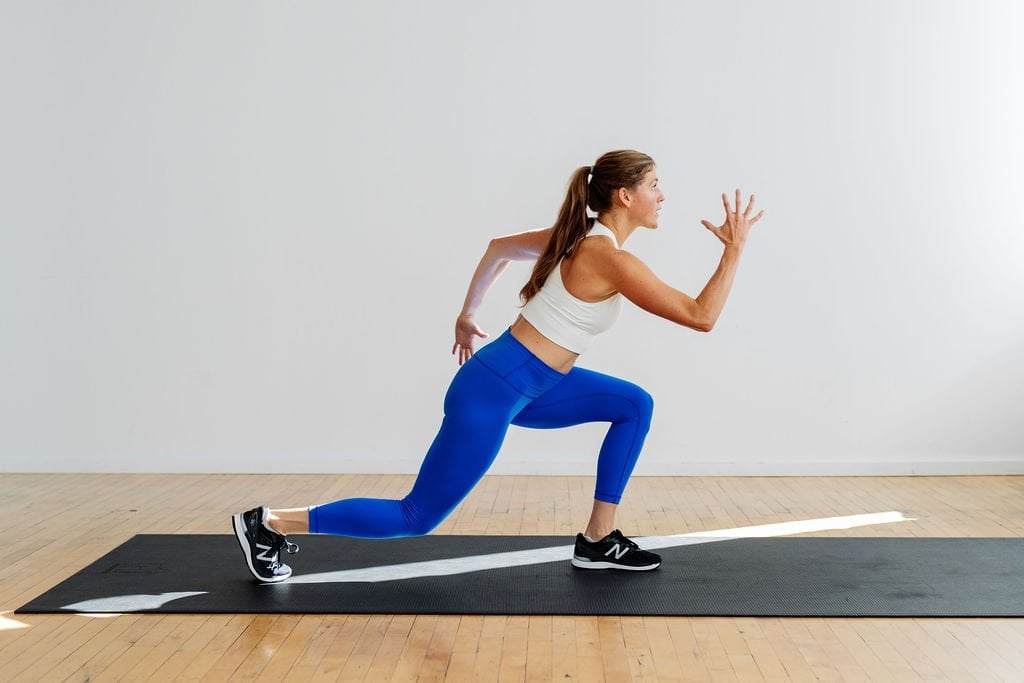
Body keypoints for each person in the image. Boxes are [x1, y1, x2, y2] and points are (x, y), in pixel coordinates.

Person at [233, 149, 764, 583]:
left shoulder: (578, 238)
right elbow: (701, 317)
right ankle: (270, 522)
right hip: (494, 388)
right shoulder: (610, 257)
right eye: (654, 184)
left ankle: (599, 539)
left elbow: (497, 249)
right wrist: (734, 251)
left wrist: (467, 315)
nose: (662, 195)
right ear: (625, 195)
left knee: (633, 405)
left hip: (533, 384)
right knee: (416, 517)